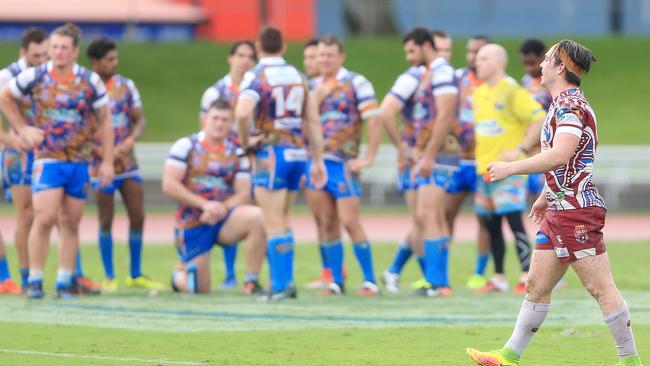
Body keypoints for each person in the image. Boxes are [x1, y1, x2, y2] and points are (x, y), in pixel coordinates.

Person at [467, 39, 643, 366]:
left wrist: (511, 168)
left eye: (548, 59)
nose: (542, 64)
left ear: (561, 67)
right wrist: (544, 197)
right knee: (536, 284)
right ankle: (508, 356)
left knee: (600, 288)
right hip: (560, 208)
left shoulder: (570, 106)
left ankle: (630, 361)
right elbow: (569, 162)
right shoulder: (560, 104)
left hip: (577, 211)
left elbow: (560, 154)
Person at [0, 23, 114, 299]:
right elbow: (5, 97)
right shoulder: (35, 76)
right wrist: (21, 128)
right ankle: (35, 279)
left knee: (71, 222)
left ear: (75, 51)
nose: (58, 52)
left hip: (78, 159)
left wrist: (107, 160)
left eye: (64, 48)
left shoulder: (89, 81)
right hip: (47, 158)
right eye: (54, 47)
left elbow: (105, 119)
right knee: (44, 217)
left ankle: (65, 280)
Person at [235, 26, 326, 300]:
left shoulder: (257, 75)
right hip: (298, 153)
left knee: (272, 221)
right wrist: (318, 158)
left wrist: (246, 141)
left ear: (257, 46)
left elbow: (242, 113)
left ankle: (280, 286)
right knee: (283, 220)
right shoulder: (299, 76)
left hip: (272, 155)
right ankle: (286, 282)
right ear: (284, 47)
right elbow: (312, 120)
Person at [305, 35, 382, 296]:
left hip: (343, 164)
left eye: (329, 55)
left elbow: (373, 119)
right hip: (316, 164)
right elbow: (302, 121)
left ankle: (370, 280)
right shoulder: (310, 86)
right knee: (326, 221)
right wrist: (317, 97)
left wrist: (368, 157)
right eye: (320, 55)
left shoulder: (355, 83)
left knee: (349, 220)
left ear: (341, 57)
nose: (324, 59)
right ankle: (336, 281)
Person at [163, 100, 265, 295]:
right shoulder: (186, 146)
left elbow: (243, 193)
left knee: (258, 217)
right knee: (199, 289)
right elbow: (169, 184)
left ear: (231, 123)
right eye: (215, 118)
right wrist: (204, 205)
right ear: (204, 119)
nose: (219, 124)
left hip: (224, 219)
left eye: (225, 120)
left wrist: (222, 208)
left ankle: (251, 281)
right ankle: (178, 274)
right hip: (193, 221)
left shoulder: (237, 152)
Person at [86, 38, 162, 292]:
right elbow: (77, 129)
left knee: (138, 215)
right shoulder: (85, 88)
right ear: (95, 62)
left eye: (116, 58)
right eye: (109, 60)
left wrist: (129, 141)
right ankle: (109, 276)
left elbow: (139, 121)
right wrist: (103, 150)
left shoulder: (126, 86)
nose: (115, 63)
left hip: (128, 164)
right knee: (106, 219)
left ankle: (135, 273)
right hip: (100, 165)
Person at [471, 44, 545, 294]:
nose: (477, 62)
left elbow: (539, 117)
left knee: (514, 221)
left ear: (499, 62)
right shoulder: (479, 93)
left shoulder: (512, 90)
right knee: (490, 224)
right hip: (484, 169)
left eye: (483, 58)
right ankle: (499, 276)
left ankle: (526, 274)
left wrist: (522, 149)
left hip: (508, 171)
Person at [402, 27, 460, 297]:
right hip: (433, 153)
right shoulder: (430, 73)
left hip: (441, 154)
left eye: (411, 50)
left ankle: (439, 282)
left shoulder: (442, 72)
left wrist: (429, 153)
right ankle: (437, 282)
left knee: (429, 215)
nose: (408, 57)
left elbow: (446, 113)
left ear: (426, 46)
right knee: (430, 215)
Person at [199, 40, 256, 288]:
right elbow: (205, 126)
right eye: (240, 55)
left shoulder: (256, 88)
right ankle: (230, 273)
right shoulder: (216, 92)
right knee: (223, 208)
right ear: (230, 58)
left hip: (250, 159)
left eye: (250, 56)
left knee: (249, 212)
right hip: (221, 161)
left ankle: (251, 274)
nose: (245, 60)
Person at [0, 27, 48, 294]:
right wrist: (13, 140)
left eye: (45, 54)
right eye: (35, 55)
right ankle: (20, 276)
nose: (41, 60)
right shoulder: (8, 77)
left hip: (47, 152)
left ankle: (71, 275)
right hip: (17, 151)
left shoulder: (49, 74)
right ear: (23, 52)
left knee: (56, 213)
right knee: (26, 214)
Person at [379, 43, 426, 294]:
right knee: (422, 220)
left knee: (429, 220)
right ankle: (430, 277)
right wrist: (402, 147)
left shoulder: (447, 77)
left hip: (440, 160)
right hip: (415, 161)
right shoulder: (412, 78)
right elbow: (386, 111)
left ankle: (394, 270)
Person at [451, 35, 492, 290]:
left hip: (483, 162)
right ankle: (438, 272)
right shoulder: (456, 79)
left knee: (484, 219)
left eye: (478, 52)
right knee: (443, 214)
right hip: (456, 160)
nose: (472, 57)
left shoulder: (496, 84)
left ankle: (479, 272)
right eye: (469, 51)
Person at [520, 38, 553, 200]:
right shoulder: (525, 83)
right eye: (525, 63)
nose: (529, 68)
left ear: (542, 57)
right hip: (529, 150)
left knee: (550, 204)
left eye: (533, 63)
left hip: (547, 150)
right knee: (535, 206)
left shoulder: (551, 83)